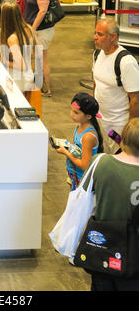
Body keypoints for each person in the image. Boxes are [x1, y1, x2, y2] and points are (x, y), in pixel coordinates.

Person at [84, 117, 139, 291]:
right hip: (134, 253)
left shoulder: (101, 162)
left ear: (123, 137)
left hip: (103, 247)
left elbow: (85, 194)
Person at [93, 17, 139, 154]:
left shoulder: (126, 62)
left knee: (119, 160)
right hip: (100, 122)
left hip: (118, 126)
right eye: (95, 33)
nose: (95, 37)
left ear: (113, 37)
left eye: (100, 34)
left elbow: (136, 100)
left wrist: (129, 131)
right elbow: (97, 81)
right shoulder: (97, 54)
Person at [56, 92, 104, 191]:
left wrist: (66, 152)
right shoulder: (79, 127)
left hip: (82, 179)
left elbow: (84, 165)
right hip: (74, 175)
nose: (71, 114)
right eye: (71, 110)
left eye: (76, 112)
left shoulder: (87, 137)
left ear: (88, 116)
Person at [22, 0, 55, 96]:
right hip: (34, 28)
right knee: (36, 57)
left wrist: (32, 29)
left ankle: (47, 89)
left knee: (41, 58)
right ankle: (38, 83)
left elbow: (42, 11)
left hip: (41, 30)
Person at [0, 0, 42, 94]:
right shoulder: (29, 28)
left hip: (17, 80)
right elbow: (37, 51)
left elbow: (21, 66)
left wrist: (3, 60)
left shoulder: (12, 38)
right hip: (28, 76)